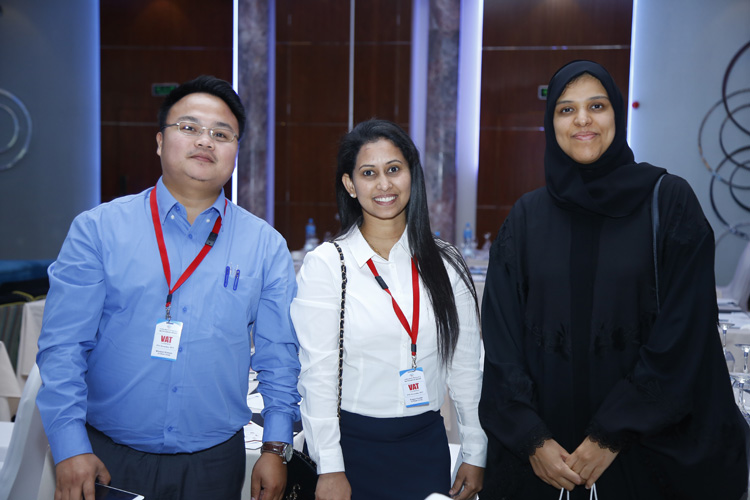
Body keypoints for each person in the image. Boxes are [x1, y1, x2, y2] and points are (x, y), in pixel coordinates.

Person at [478, 59, 750, 499]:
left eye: (597, 106)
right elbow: (501, 339)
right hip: (547, 462)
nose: (582, 120)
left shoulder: (670, 202)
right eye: (566, 109)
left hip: (647, 454)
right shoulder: (526, 218)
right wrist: (531, 438)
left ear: (617, 115)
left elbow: (686, 332)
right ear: (551, 124)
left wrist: (610, 434)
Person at [36, 75, 301, 500]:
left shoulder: (265, 245)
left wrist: (275, 446)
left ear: (236, 151)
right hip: (107, 456)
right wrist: (70, 447)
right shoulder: (98, 230)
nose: (205, 141)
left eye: (221, 134)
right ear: (160, 142)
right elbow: (63, 347)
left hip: (215, 463)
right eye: (189, 127)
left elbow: (279, 356)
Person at [290, 119, 487, 500]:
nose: (384, 184)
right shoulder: (328, 264)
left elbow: (466, 368)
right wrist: (329, 467)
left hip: (425, 446)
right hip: (351, 450)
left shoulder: (446, 263)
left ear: (412, 175)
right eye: (369, 173)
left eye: (394, 169)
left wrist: (475, 451)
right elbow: (318, 377)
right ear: (350, 185)